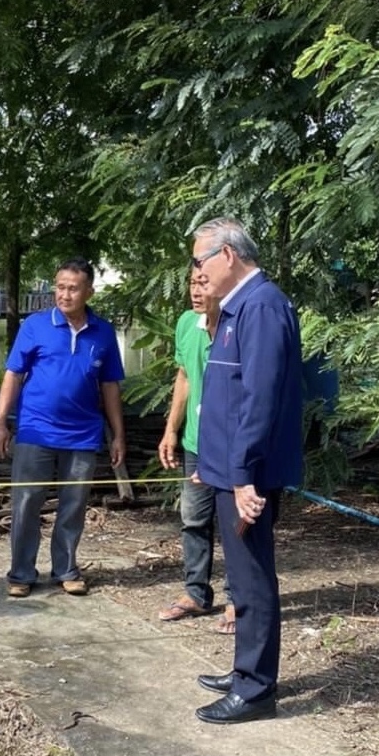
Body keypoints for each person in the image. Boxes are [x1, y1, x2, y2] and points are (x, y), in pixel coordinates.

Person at [190, 217, 302, 724]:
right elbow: (227, 398)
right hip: (227, 469)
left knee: (252, 578)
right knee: (241, 576)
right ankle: (245, 670)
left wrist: (240, 475)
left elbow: (259, 402)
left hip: (247, 475)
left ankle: (255, 689)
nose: (197, 272)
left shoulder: (261, 307)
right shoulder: (238, 308)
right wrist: (213, 465)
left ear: (228, 255)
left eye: (200, 261)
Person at [0, 257, 126, 598]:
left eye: (73, 288)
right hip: (35, 430)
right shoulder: (35, 326)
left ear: (89, 292)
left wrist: (118, 434)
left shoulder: (103, 332)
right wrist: (1, 422)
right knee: (26, 502)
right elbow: (13, 375)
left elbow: (110, 385)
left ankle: (65, 569)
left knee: (74, 504)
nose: (64, 295)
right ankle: (21, 572)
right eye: (60, 287)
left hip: (83, 434)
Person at [157, 269, 235, 634]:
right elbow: (185, 376)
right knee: (193, 519)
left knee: (236, 525)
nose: (196, 291)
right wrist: (171, 429)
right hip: (195, 444)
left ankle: (238, 599)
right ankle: (196, 593)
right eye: (191, 283)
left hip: (231, 444)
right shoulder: (187, 323)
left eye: (204, 283)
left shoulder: (238, 326)